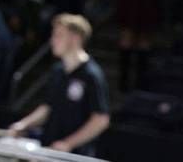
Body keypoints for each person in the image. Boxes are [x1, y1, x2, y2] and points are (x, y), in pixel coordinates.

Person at [9, 14, 110, 156]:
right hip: (48, 150)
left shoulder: (91, 75)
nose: (53, 40)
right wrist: (23, 125)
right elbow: (48, 107)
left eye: (59, 35)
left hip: (75, 156)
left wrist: (69, 143)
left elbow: (100, 120)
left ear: (75, 38)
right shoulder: (57, 71)